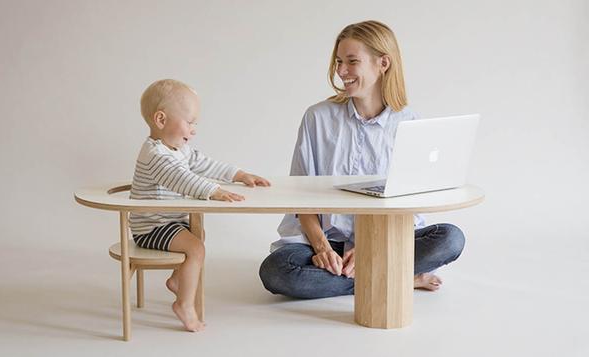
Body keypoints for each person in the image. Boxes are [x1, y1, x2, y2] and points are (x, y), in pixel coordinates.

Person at [258, 21, 465, 299]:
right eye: (339, 62)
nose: (342, 71)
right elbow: (300, 197)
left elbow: (410, 204)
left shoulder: (409, 122)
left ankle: (369, 271)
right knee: (276, 271)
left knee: (450, 239)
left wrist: (370, 249)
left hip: (383, 241)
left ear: (383, 63)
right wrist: (322, 248)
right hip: (321, 241)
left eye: (352, 61)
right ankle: (397, 276)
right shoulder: (317, 118)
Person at [131, 79, 270, 331]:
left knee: (198, 235)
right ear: (161, 120)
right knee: (196, 249)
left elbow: (205, 164)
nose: (194, 130)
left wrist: (239, 175)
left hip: (169, 221)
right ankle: (184, 305)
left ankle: (177, 280)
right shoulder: (155, 154)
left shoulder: (178, 148)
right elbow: (182, 180)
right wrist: (213, 191)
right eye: (190, 121)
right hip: (151, 226)